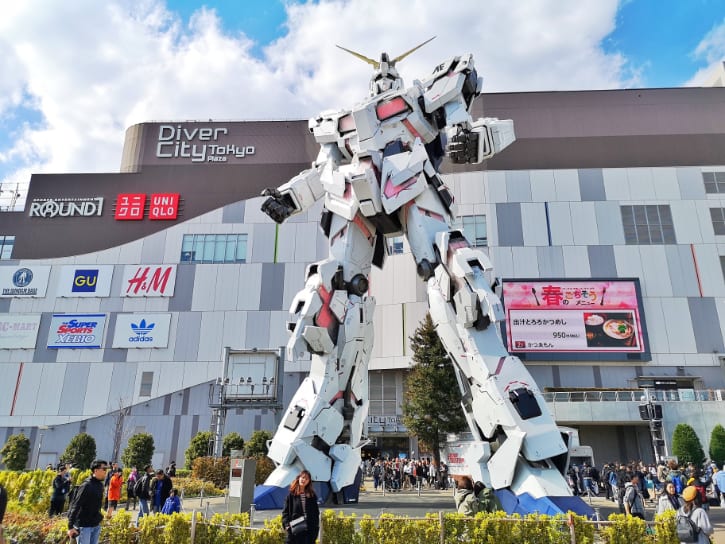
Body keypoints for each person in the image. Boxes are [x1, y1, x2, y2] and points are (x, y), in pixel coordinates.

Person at [67, 459, 108, 544]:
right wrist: (70, 526)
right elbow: (76, 505)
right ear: (96, 470)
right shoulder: (86, 485)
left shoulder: (100, 485)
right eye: (104, 469)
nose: (106, 471)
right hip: (84, 526)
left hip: (95, 524)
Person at [282, 470, 320, 544]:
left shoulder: (312, 495)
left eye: (307, 479)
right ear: (299, 478)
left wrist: (315, 529)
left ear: (309, 481)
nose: (304, 480)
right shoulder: (291, 495)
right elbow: (285, 512)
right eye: (303, 477)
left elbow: (316, 513)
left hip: (309, 531)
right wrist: (287, 525)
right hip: (295, 530)